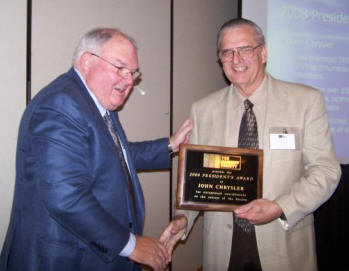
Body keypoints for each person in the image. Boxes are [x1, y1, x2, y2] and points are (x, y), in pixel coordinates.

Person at [0, 28, 192, 271]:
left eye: (133, 73)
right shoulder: (60, 106)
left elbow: (114, 156)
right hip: (63, 260)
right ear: (87, 61)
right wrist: (131, 245)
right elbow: (66, 197)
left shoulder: (94, 102)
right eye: (120, 68)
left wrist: (171, 145)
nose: (130, 80)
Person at [163, 18, 341, 271]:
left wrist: (280, 207)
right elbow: (195, 179)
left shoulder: (305, 101)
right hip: (223, 249)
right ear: (220, 59)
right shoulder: (203, 110)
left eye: (245, 49)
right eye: (227, 52)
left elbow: (326, 170)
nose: (236, 60)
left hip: (284, 242)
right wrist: (183, 217)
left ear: (263, 52)